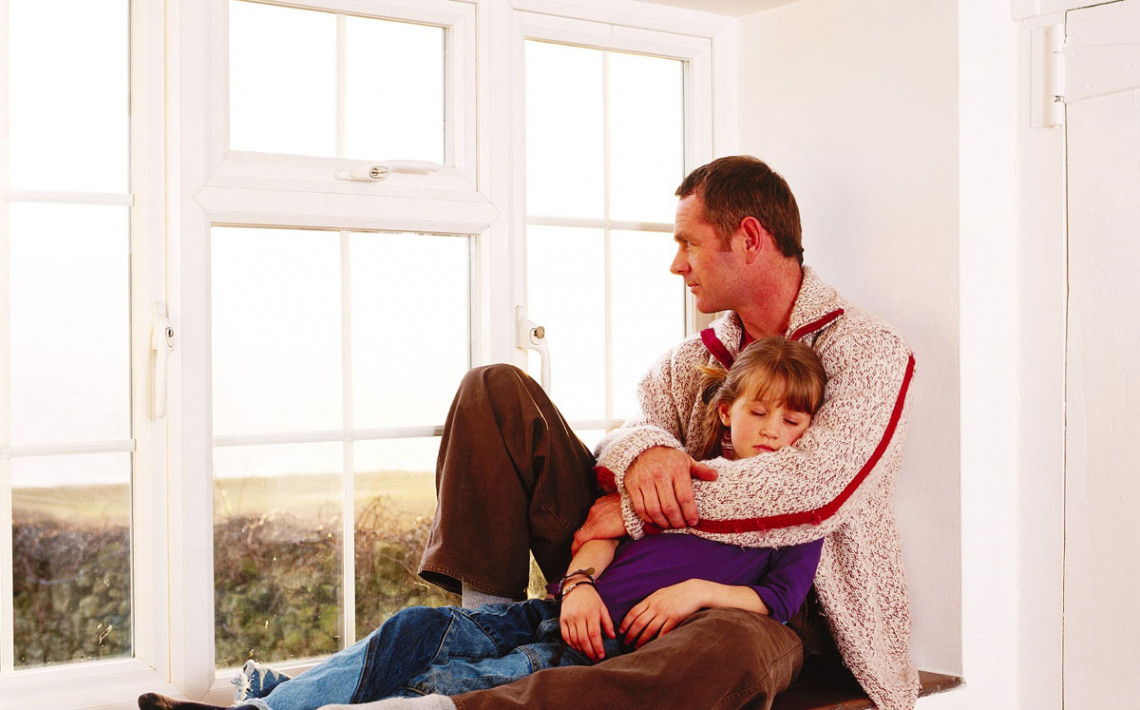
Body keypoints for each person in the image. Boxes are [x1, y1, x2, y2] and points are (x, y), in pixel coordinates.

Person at [419, 156, 920, 710]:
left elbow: (815, 489)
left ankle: (464, 705)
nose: (677, 264)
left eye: (689, 243)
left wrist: (633, 510)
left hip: (772, 606)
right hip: (626, 565)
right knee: (495, 389)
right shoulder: (690, 360)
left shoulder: (868, 350)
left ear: (749, 238)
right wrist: (644, 453)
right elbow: (626, 432)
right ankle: (490, 628)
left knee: (722, 653)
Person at [137, 337, 828, 710]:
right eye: (759, 412)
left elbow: (780, 599)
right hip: (558, 615)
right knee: (413, 632)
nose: (772, 431)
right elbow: (599, 530)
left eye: (792, 421)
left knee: (463, 679)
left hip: (600, 652)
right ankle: (266, 707)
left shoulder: (798, 514)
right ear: (727, 411)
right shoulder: (682, 472)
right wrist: (582, 581)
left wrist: (697, 594)